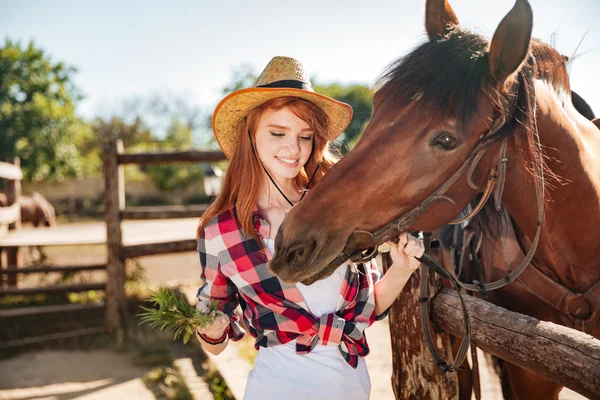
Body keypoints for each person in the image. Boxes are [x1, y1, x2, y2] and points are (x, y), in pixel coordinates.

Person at [195, 56, 424, 400]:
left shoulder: (338, 211)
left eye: (305, 136)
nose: (294, 148)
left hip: (353, 389)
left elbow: (369, 308)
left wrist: (404, 268)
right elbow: (213, 343)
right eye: (277, 133)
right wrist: (210, 329)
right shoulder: (222, 231)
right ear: (250, 134)